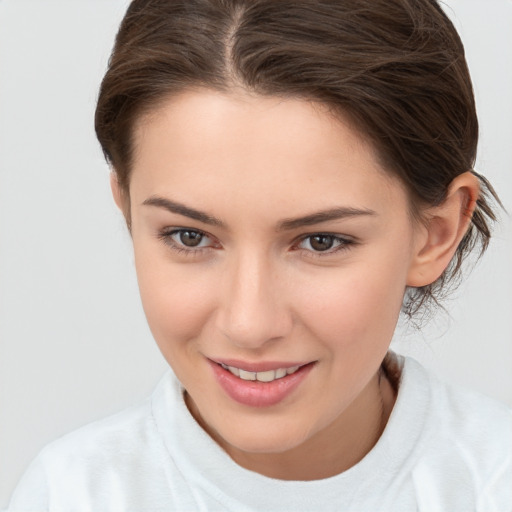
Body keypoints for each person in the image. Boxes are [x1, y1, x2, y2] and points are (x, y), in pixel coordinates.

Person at [7, 0, 511, 510]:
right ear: (130, 213)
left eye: (321, 241)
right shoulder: (71, 495)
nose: (249, 324)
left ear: (435, 233)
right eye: (188, 236)